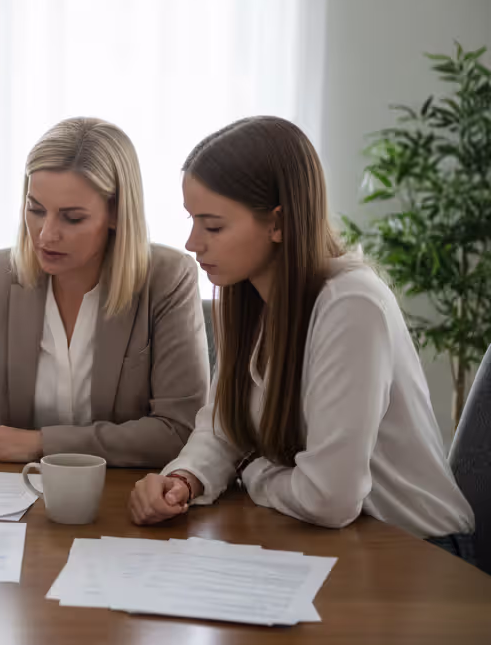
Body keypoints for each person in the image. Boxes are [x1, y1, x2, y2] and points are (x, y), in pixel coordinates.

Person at [129, 116, 475, 561]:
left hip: (419, 552)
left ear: (279, 222)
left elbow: (328, 498)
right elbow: (223, 428)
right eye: (193, 220)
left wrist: (252, 473)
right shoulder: (250, 296)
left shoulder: (352, 305)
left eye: (213, 226)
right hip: (342, 542)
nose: (193, 242)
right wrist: (184, 480)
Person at [0, 117, 209, 499]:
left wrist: (43, 443)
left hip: (130, 499)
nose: (46, 235)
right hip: (19, 499)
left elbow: (178, 430)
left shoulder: (168, 278)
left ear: (117, 214)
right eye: (36, 209)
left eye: (72, 218)